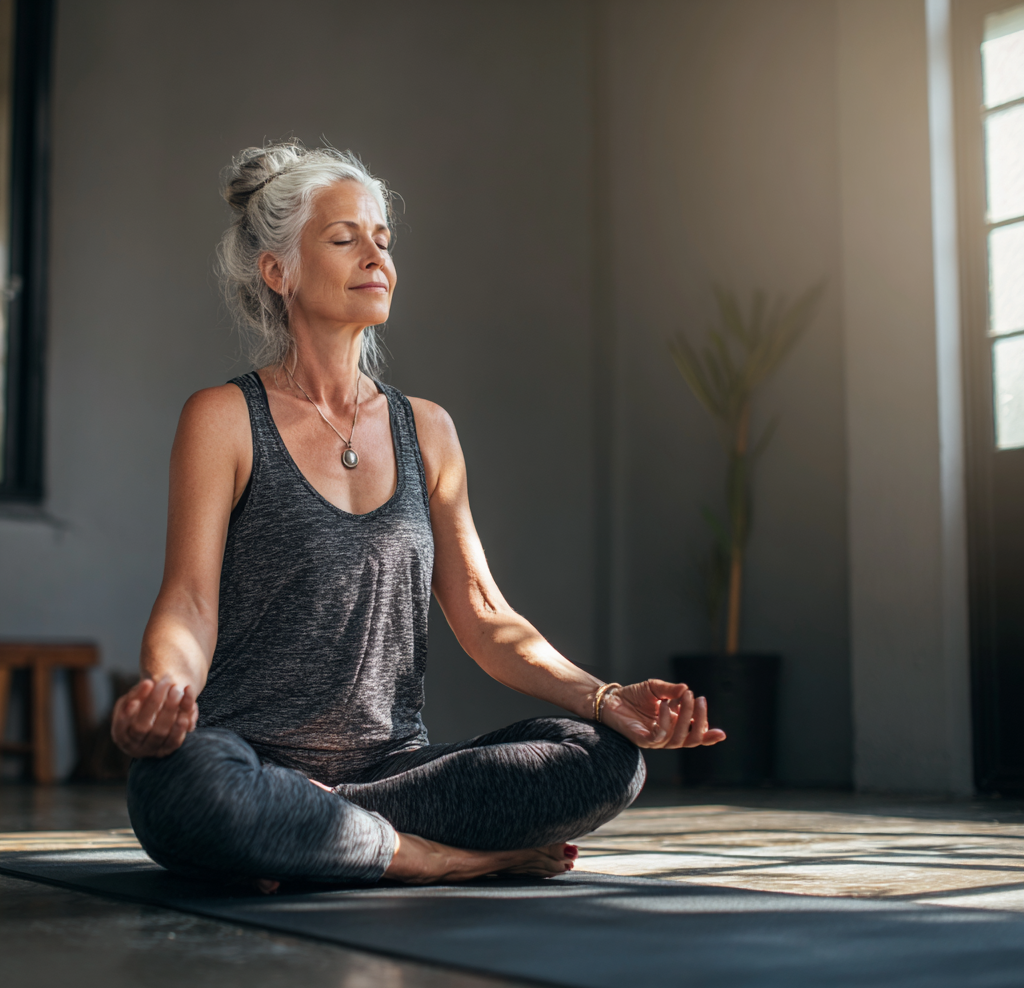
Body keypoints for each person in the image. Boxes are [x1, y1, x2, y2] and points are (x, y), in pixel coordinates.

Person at [112, 142, 725, 891]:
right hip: (249, 758)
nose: (375, 255)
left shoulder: (426, 429)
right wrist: (166, 692)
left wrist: (604, 697)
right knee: (184, 782)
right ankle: (432, 858)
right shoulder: (225, 419)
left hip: (397, 770)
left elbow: (485, 616)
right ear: (279, 272)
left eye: (383, 239)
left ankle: (319, 833)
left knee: (602, 757)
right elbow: (189, 602)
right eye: (344, 239)